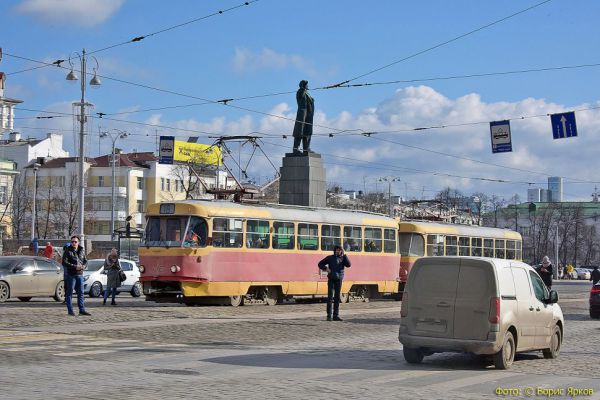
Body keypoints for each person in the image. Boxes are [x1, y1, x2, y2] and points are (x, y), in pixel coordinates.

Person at [318, 245, 351, 321]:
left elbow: (349, 265)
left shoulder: (343, 258)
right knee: (330, 298)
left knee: (337, 298)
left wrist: (345, 255)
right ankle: (329, 316)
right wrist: (326, 268)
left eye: (339, 250)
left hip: (339, 280)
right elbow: (320, 264)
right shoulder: (330, 258)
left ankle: (336, 316)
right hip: (331, 279)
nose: (337, 251)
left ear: (341, 251)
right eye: (336, 250)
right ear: (334, 250)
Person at [62, 235, 91, 316]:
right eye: (72, 242)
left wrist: (83, 266)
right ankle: (70, 311)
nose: (73, 243)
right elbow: (64, 262)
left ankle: (82, 310)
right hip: (71, 275)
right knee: (69, 293)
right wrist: (75, 266)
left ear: (78, 242)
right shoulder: (68, 251)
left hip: (80, 275)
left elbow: (85, 261)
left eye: (75, 242)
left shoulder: (82, 250)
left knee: (81, 293)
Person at [292, 80, 314, 154]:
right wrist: (302, 88)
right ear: (303, 85)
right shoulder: (300, 92)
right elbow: (301, 94)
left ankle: (306, 149)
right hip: (302, 115)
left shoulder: (307, 94)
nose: (308, 86)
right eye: (306, 84)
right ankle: (295, 149)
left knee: (307, 132)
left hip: (308, 116)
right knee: (299, 132)